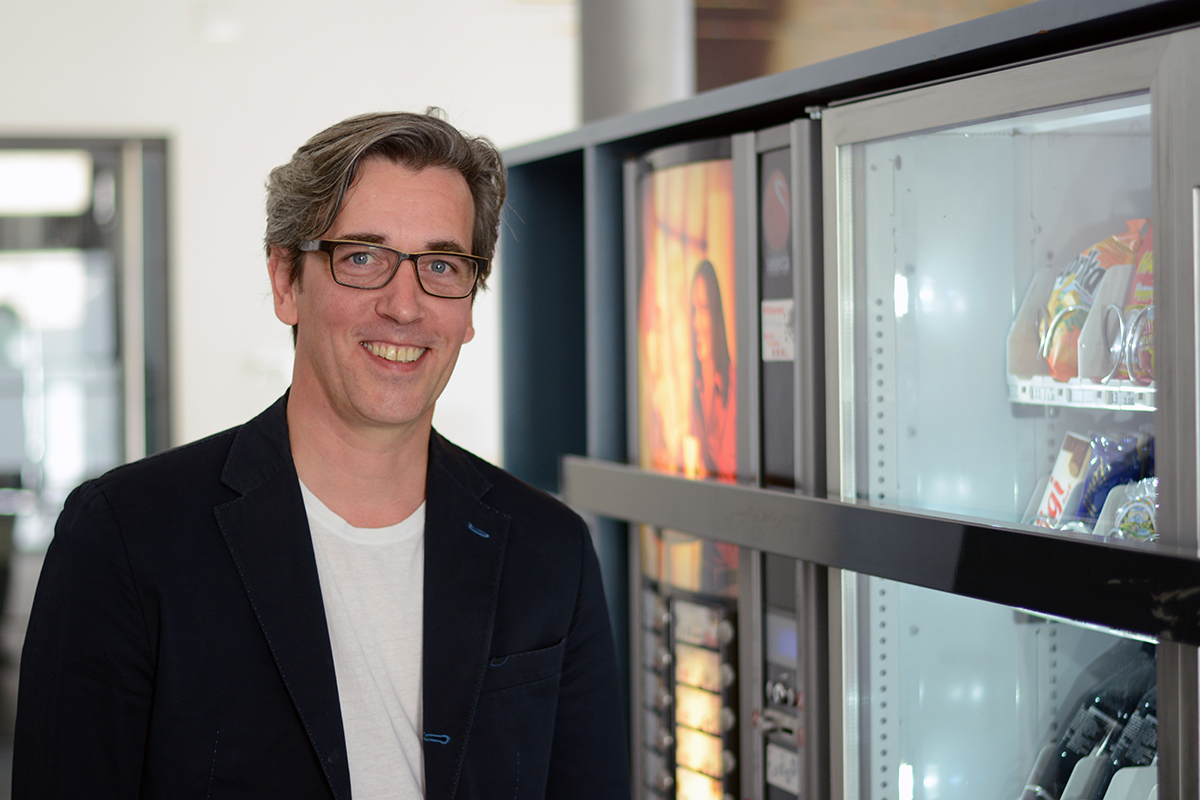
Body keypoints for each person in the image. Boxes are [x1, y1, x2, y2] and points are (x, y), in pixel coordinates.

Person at [13, 110, 630, 800]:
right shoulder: (127, 536)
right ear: (286, 281)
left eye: (442, 265)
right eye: (362, 257)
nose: (405, 306)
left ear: (470, 303)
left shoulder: (551, 550)